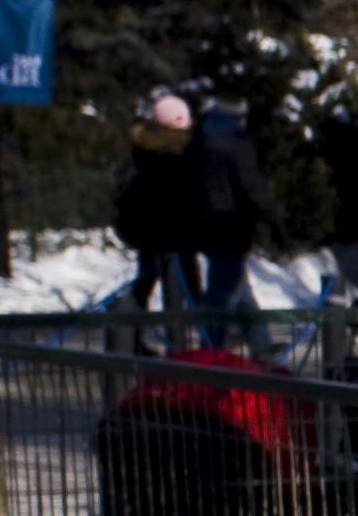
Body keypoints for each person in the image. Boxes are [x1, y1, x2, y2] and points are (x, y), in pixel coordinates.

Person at [104, 88, 269, 338]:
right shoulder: (183, 152)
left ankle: (137, 339)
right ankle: (193, 343)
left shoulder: (145, 150)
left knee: (146, 286)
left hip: (154, 234)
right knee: (187, 290)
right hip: (176, 235)